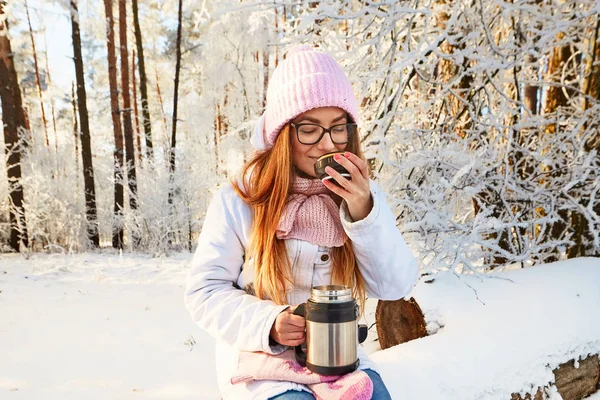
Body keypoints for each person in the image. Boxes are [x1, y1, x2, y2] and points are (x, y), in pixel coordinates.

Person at [185, 45, 418, 400]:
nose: (325, 144)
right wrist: (269, 323)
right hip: (261, 360)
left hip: (338, 360)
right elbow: (204, 292)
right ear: (282, 133)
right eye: (309, 129)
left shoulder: (361, 196)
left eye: (338, 128)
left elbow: (395, 285)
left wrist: (363, 211)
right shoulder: (240, 200)